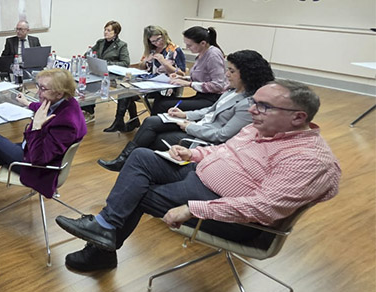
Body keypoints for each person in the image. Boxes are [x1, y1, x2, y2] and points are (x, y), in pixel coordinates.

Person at [56, 80, 340, 272]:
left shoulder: (308, 159)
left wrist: (193, 209)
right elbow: (225, 151)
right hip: (197, 176)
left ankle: (101, 248)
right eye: (254, 102)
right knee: (140, 156)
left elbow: (263, 209)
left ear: (299, 118)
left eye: (263, 106)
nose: (252, 110)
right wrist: (193, 155)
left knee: (137, 193)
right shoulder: (260, 127)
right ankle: (105, 227)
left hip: (231, 214)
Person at [98, 50, 274, 172]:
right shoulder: (231, 90)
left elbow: (222, 136)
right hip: (197, 125)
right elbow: (210, 111)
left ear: (247, 74)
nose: (226, 74)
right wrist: (185, 115)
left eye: (231, 71)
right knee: (151, 121)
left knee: (155, 139)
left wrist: (188, 126)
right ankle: (124, 160)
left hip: (204, 137)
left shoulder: (247, 104)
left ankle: (136, 166)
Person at [0, 68, 87, 217]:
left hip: (39, 168)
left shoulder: (66, 123)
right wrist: (28, 104)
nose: (38, 92)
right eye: (38, 86)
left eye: (43, 88)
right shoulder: (66, 103)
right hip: (33, 150)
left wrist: (37, 127)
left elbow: (39, 158)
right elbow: (45, 108)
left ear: (59, 93)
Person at [103, 25, 186, 133]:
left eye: (159, 39)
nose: (157, 43)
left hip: (166, 86)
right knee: (126, 90)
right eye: (153, 41)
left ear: (164, 35)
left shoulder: (174, 50)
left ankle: (152, 126)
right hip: (150, 82)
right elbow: (142, 67)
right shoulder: (152, 49)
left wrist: (164, 62)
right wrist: (146, 60)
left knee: (139, 94)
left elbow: (182, 73)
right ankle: (120, 121)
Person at [150, 25, 227, 115]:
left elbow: (218, 85)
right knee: (160, 99)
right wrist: (183, 78)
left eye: (189, 45)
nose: (187, 47)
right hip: (203, 96)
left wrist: (189, 84)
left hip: (212, 99)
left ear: (203, 43)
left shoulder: (213, 55)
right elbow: (203, 77)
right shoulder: (202, 53)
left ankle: (158, 126)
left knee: (162, 105)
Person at [82, 20, 130, 122]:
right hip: (98, 71)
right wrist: (88, 56)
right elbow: (88, 54)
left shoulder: (121, 45)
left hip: (111, 75)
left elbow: (125, 63)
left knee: (93, 83)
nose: (105, 32)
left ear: (115, 33)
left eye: (109, 30)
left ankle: (89, 112)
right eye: (105, 30)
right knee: (83, 81)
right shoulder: (100, 42)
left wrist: (107, 64)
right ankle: (83, 109)